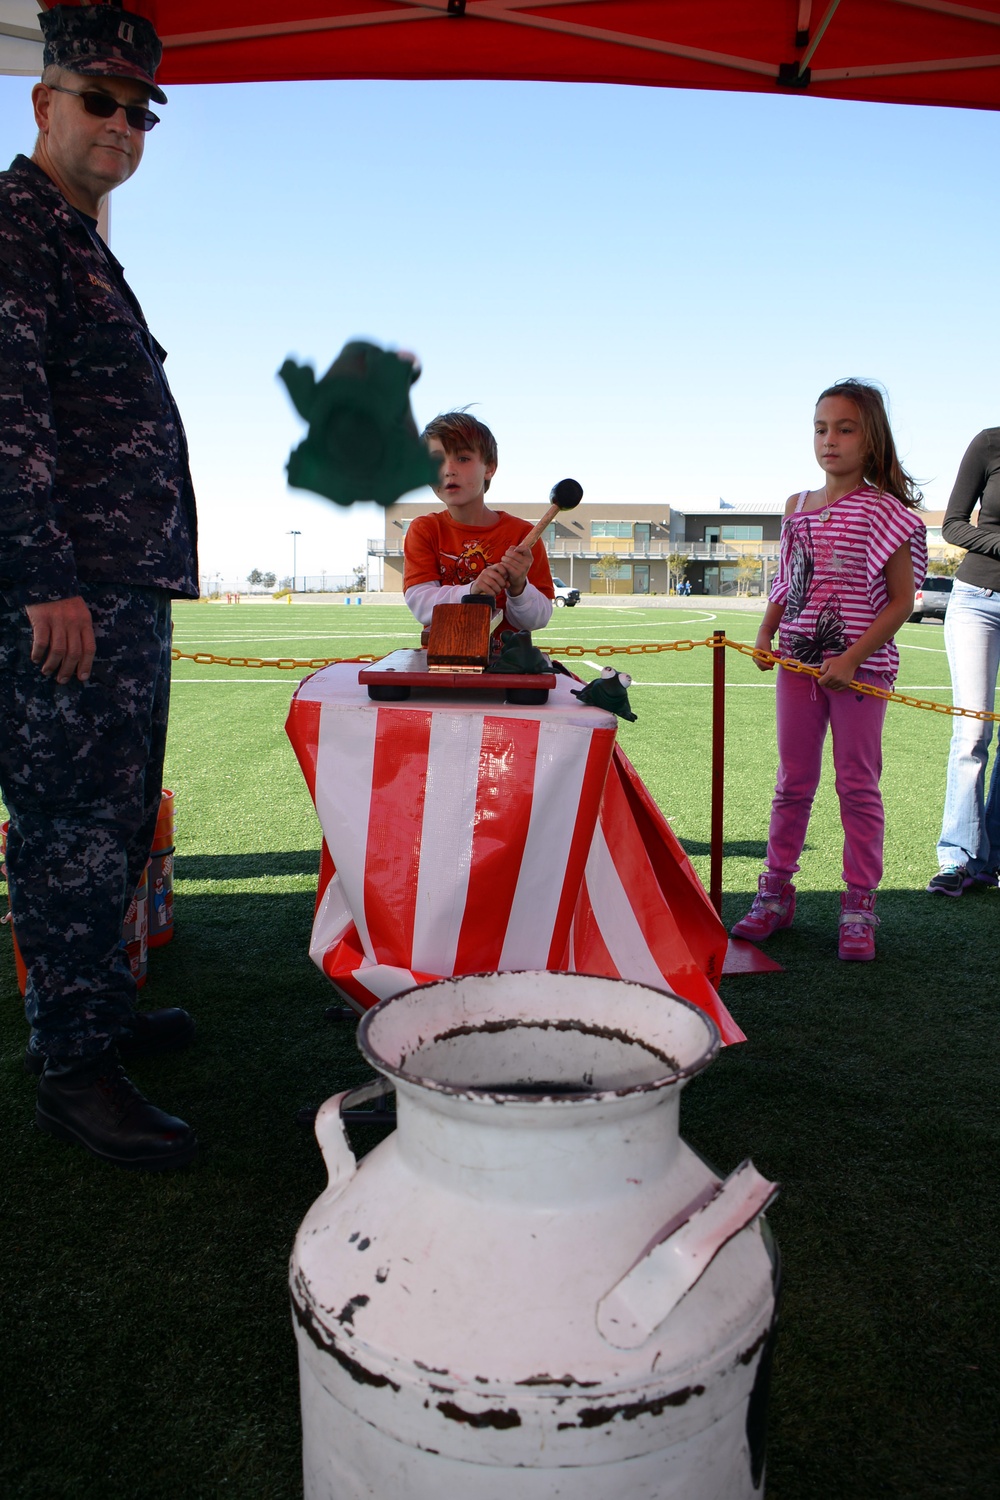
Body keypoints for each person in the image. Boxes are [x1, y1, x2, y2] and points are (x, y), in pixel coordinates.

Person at [0, 6, 199, 1169]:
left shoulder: (75, 239)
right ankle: (74, 1072)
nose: (121, 124)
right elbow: (9, 414)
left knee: (115, 819)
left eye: (138, 110)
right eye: (98, 101)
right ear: (43, 102)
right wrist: (43, 580)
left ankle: (100, 1018)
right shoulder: (17, 225)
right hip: (65, 597)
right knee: (72, 828)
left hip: (118, 591)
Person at [731, 380, 927, 961]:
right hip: (797, 665)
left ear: (871, 440)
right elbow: (788, 581)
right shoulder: (796, 507)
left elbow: (901, 601)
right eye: (821, 428)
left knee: (857, 785)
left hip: (861, 673)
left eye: (845, 429)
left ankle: (859, 905)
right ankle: (774, 893)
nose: (830, 440)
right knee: (793, 782)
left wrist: (851, 658)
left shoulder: (887, 513)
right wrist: (766, 632)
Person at [926, 429, 1000, 895]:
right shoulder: (991, 443)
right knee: (972, 732)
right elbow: (953, 524)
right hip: (978, 601)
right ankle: (958, 856)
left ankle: (991, 862)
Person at [403, 411, 554, 637]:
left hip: (507, 664)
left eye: (463, 458)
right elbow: (421, 606)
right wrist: (472, 591)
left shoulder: (523, 535)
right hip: (441, 663)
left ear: (490, 467)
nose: (448, 469)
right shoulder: (424, 530)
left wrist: (519, 587)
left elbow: (537, 619)